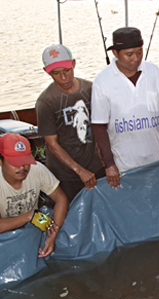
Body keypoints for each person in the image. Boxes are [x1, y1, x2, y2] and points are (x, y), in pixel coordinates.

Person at [92, 27, 159, 188]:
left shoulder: (153, 72)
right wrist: (109, 164)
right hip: (124, 164)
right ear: (115, 53)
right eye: (129, 54)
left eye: (139, 52)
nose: (135, 59)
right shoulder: (102, 81)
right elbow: (99, 126)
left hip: (156, 159)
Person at [36, 44, 106, 202]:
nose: (63, 78)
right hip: (66, 174)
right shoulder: (46, 101)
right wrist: (79, 171)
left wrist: (106, 160)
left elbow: (102, 126)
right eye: (56, 73)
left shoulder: (90, 89)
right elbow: (51, 143)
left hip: (95, 165)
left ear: (73, 63)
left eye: (67, 70)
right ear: (47, 71)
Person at [0, 134, 68, 258]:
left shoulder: (36, 170)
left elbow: (61, 199)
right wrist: (29, 216)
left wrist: (53, 233)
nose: (22, 167)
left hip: (30, 230)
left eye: (25, 161)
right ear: (1, 162)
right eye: (15, 162)